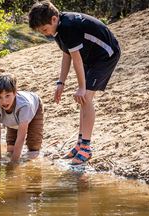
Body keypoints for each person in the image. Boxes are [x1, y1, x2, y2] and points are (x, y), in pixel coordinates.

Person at [28, 1, 121, 164]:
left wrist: (82, 87)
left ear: (54, 19)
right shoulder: (58, 29)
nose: (45, 34)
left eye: (44, 29)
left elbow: (76, 59)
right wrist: (60, 82)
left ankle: (86, 148)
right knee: (83, 99)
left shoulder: (68, 27)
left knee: (86, 97)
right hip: (91, 55)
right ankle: (80, 143)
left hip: (105, 55)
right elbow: (67, 54)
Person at [0, 73, 44, 165]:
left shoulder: (24, 105)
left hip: (34, 111)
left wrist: (14, 163)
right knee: (10, 151)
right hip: (12, 120)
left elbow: (21, 137)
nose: (4, 101)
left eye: (7, 96)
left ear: (15, 93)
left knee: (33, 148)